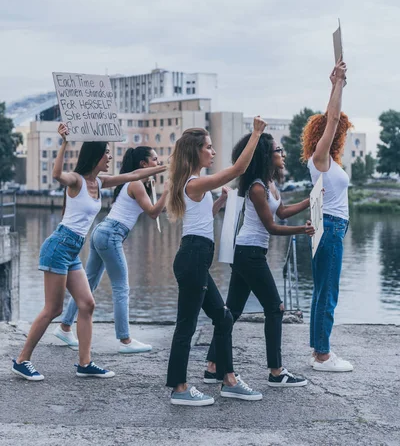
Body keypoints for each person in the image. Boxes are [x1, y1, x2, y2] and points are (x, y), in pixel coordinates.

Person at [12, 124, 165, 381]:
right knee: (53, 309)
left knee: (87, 304)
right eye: (106, 153)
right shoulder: (77, 181)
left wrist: (165, 168)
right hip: (59, 247)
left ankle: (85, 363)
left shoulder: (100, 182)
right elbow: (57, 173)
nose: (109, 157)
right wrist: (63, 143)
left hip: (72, 251)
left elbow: (134, 174)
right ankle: (22, 360)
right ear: (95, 155)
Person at [166, 117, 267, 406]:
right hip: (193, 257)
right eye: (208, 148)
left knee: (222, 318)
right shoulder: (195, 182)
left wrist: (219, 204)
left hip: (196, 256)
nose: (212, 152)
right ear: (195, 152)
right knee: (186, 325)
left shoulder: (194, 185)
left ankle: (228, 380)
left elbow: (200, 221)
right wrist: (256, 134)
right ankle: (179, 388)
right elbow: (238, 169)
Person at [205, 133, 314, 387]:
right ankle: (276, 372)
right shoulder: (256, 187)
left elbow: (283, 212)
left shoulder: (269, 184)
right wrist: (303, 230)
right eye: (279, 150)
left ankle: (212, 366)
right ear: (267, 155)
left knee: (230, 312)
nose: (283, 154)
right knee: (275, 308)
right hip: (249, 253)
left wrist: (311, 200)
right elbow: (272, 227)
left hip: (250, 253)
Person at [56, 146, 168, 354]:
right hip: (111, 234)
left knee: (89, 282)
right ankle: (125, 340)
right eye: (155, 159)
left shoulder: (133, 183)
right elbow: (153, 213)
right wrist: (168, 190)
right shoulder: (135, 183)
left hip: (103, 231)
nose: (158, 163)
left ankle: (64, 327)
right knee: (121, 287)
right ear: (144, 164)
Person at [301, 58, 353, 372]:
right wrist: (337, 85)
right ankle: (323, 355)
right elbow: (332, 118)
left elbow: (333, 118)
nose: (340, 133)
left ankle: (319, 349)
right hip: (330, 227)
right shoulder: (318, 159)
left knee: (322, 290)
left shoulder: (328, 163)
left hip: (329, 227)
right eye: (337, 130)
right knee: (328, 291)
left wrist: (337, 85)